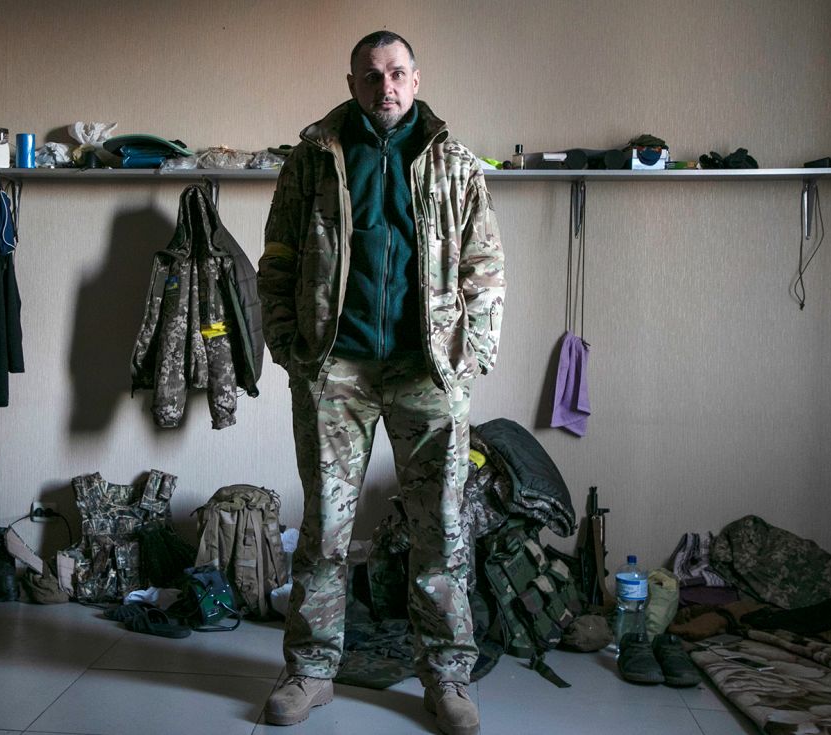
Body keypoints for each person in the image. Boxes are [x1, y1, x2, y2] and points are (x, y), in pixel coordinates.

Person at [257, 30, 505, 735]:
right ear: (352, 83)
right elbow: (276, 261)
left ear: (418, 80)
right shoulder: (313, 161)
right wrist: (291, 349)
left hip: (426, 373)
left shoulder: (456, 165)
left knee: (443, 531)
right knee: (328, 528)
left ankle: (448, 677)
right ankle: (310, 669)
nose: (385, 86)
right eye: (371, 76)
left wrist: (468, 363)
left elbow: (484, 269)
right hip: (337, 372)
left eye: (397, 73)